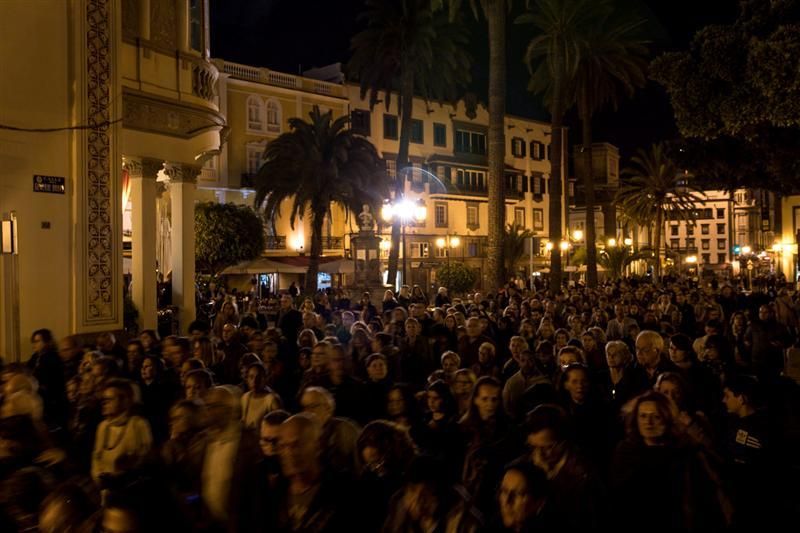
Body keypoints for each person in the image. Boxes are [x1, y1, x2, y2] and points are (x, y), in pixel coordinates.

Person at [91, 379, 153, 489]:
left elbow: (145, 458)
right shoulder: (103, 427)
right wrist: (98, 477)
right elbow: (96, 457)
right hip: (106, 490)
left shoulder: (138, 425)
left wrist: (122, 474)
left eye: (109, 400)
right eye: (103, 400)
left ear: (125, 401)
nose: (104, 404)